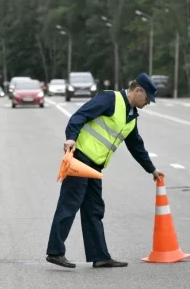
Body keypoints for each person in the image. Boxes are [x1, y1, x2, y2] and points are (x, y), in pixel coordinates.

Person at [46, 73, 164, 269]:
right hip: (80, 159)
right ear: (138, 90)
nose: (148, 103)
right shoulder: (110, 99)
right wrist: (71, 138)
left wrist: (151, 169)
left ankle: (100, 256)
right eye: (147, 98)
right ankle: (55, 252)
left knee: (94, 210)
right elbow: (80, 115)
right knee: (70, 204)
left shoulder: (131, 116)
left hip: (95, 166)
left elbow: (136, 146)